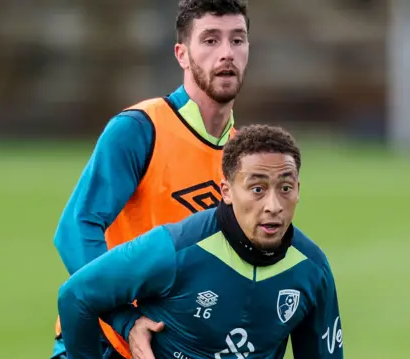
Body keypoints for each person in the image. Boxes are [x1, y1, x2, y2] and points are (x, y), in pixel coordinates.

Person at [50, 1, 251, 358]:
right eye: (210, 40)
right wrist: (126, 320)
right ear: (182, 54)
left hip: (178, 346)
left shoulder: (244, 154)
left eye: (237, 40)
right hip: (103, 341)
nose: (226, 53)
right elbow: (75, 229)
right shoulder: (140, 129)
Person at [58, 124, 345, 359]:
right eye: (257, 189)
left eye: (285, 188)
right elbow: (76, 296)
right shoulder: (176, 248)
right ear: (227, 191)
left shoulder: (312, 270)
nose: (273, 205)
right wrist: (125, 322)